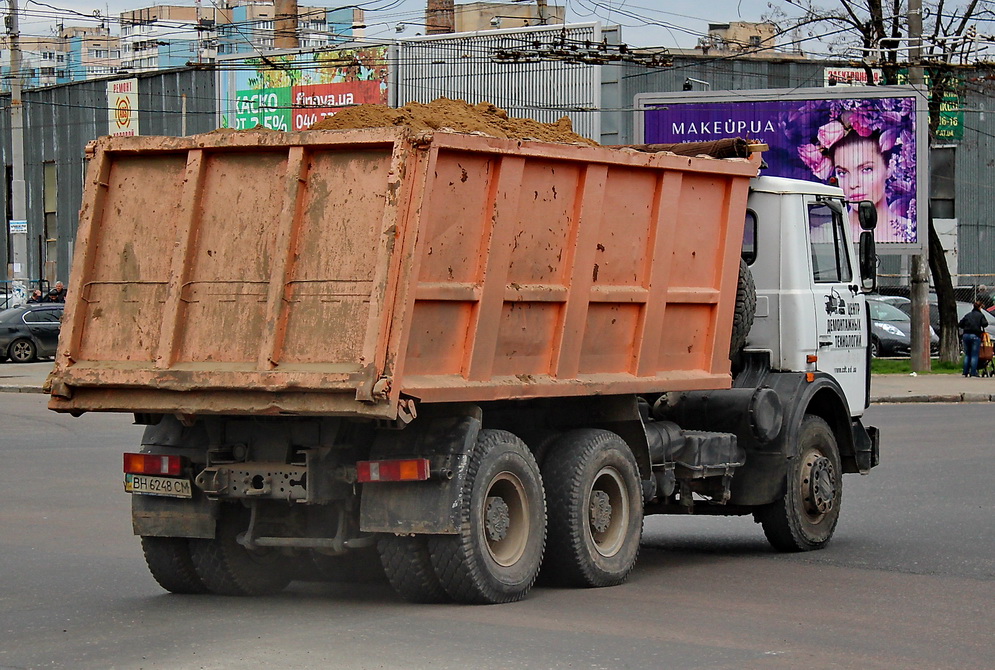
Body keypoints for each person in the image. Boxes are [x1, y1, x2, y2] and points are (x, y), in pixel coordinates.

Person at [828, 132, 910, 242]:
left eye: (866, 169)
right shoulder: (822, 233)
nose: (853, 184)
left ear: (889, 168)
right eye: (842, 172)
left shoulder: (909, 232)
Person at [958, 301, 989, 377]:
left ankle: (965, 371)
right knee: (974, 355)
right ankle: (973, 372)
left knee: (967, 354)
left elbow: (960, 324)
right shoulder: (980, 315)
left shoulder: (968, 315)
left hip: (966, 335)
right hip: (975, 335)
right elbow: (985, 324)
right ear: (979, 307)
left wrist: (966, 327)